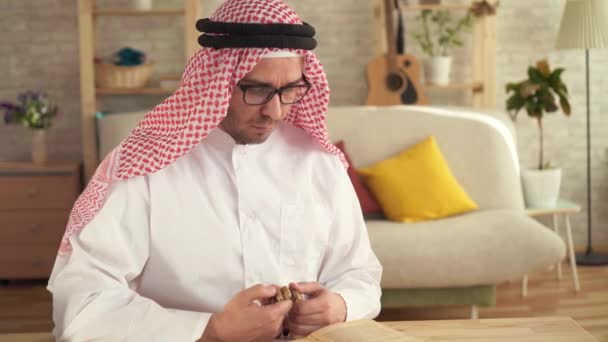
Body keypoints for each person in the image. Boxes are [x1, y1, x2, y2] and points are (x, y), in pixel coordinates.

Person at [47, 0, 382, 341]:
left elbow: (359, 271)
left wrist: (341, 305)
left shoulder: (318, 162)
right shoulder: (145, 167)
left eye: (290, 91)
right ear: (217, 80)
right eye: (257, 89)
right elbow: (83, 301)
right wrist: (210, 330)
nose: (275, 111)